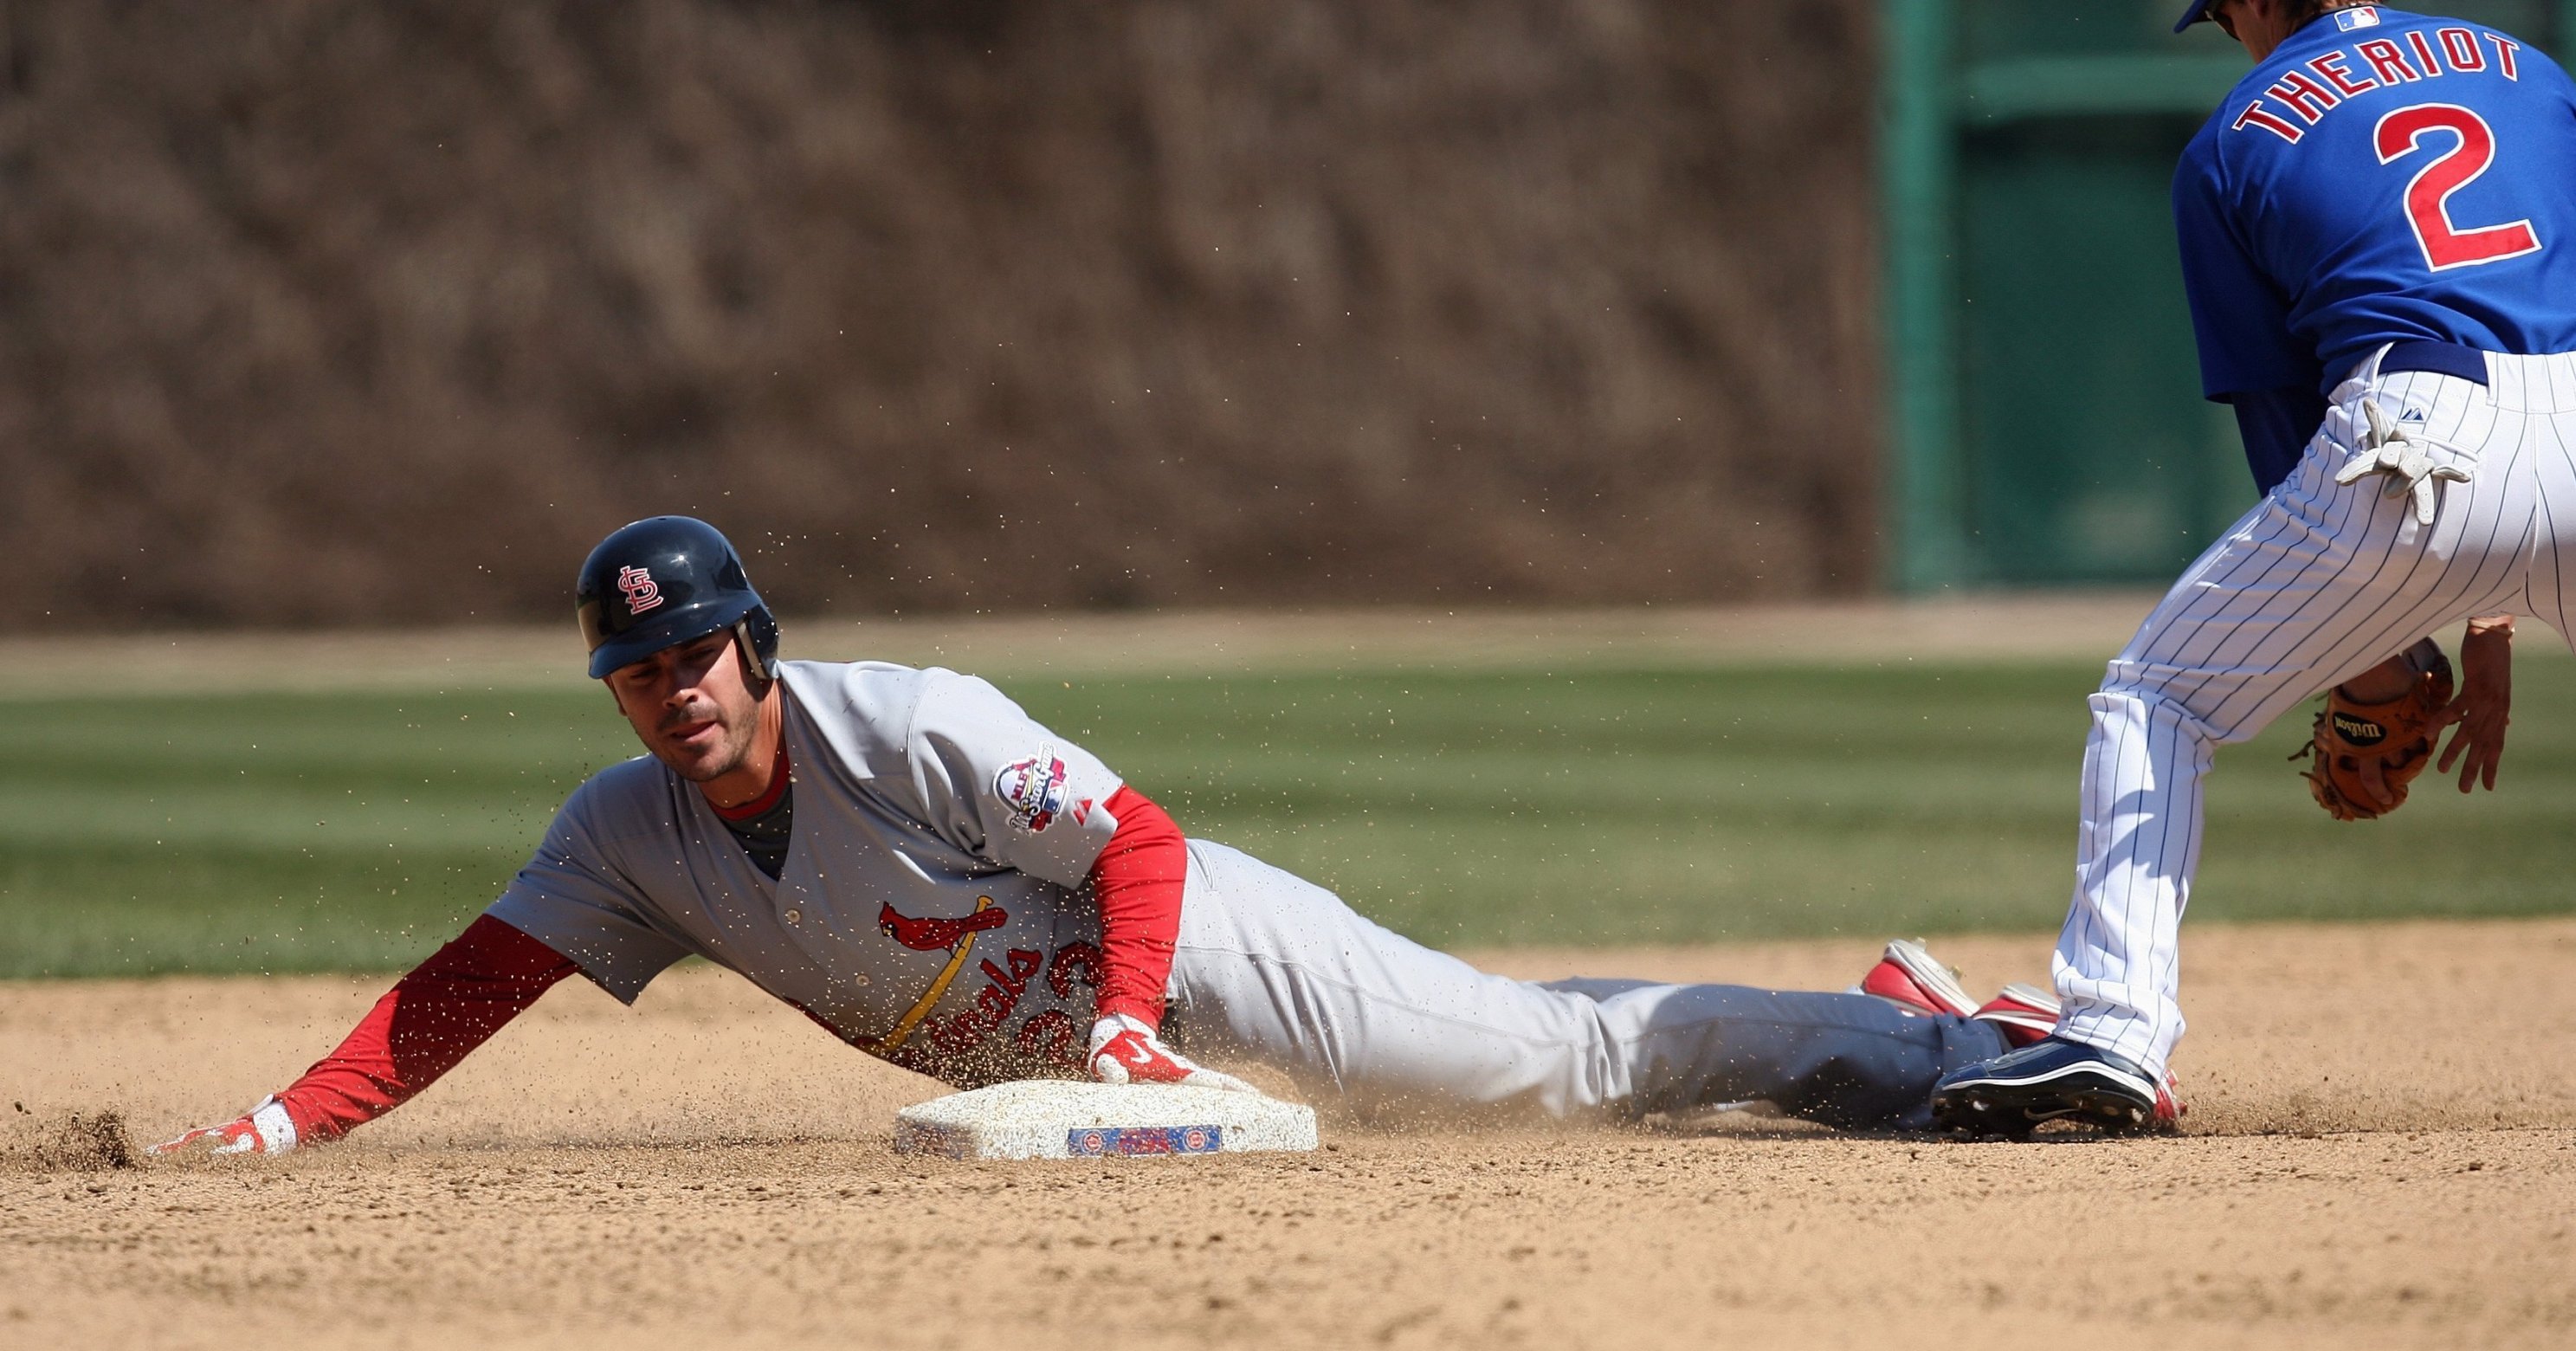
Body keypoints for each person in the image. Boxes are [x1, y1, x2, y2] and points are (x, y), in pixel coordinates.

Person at [151, 518, 2077, 1158]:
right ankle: (1885, 1013)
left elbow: (1139, 839)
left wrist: (1137, 1024)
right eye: (637, 670)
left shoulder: (901, 719)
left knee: (1544, 1066)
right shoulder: (631, 831)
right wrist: (281, 1124)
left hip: (1198, 951)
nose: (673, 688)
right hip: (1092, 1034)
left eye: (693, 649)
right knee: (1515, 1052)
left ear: (754, 640)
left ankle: (1929, 1040)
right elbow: (474, 981)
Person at [1933, 0, 2576, 1136]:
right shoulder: (2525, 67)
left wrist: (2377, 651)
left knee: (2158, 696)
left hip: (2419, 432)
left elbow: (2290, 442)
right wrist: (2495, 610)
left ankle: (2114, 1032)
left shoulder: (2232, 140)